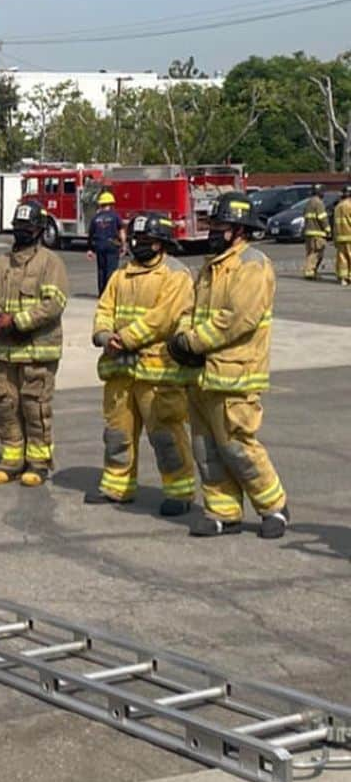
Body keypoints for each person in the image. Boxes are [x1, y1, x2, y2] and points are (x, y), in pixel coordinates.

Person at [167, 192, 289, 539]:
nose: (212, 231)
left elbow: (238, 319)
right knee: (206, 449)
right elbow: (190, 310)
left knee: (238, 446)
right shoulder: (212, 265)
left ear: (238, 228)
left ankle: (274, 507)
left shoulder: (253, 265)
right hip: (202, 375)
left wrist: (191, 342)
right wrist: (180, 334)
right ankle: (223, 511)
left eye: (219, 225)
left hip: (235, 375)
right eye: (213, 224)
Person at [87, 212, 196, 514]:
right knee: (117, 432)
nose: (139, 245)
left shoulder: (176, 275)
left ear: (162, 243)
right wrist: (104, 334)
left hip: (156, 372)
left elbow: (163, 318)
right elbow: (104, 307)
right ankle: (116, 487)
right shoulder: (122, 274)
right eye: (136, 240)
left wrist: (126, 337)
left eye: (146, 241)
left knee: (165, 435)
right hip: (120, 369)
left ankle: (180, 491)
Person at [0, 200, 69, 487]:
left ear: (40, 230)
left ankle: (38, 463)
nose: (22, 232)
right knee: (7, 406)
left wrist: (18, 322)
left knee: (35, 408)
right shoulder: (1, 264)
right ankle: (12, 459)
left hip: (36, 353)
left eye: (28, 227)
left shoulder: (50, 263)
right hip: (5, 353)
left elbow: (54, 303)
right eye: (18, 226)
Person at [86, 190, 125, 296]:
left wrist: (90, 249)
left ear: (100, 204)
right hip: (112, 245)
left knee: (101, 270)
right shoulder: (115, 216)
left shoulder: (95, 218)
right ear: (111, 204)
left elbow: (90, 234)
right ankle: (110, 294)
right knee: (111, 270)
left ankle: (102, 293)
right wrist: (123, 246)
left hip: (100, 245)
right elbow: (121, 232)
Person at [302, 183, 330, 280]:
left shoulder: (308, 203)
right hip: (318, 233)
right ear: (321, 192)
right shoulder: (319, 203)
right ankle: (310, 271)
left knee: (310, 252)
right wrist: (328, 229)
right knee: (317, 253)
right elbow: (322, 218)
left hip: (308, 232)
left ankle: (311, 271)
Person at [333, 183, 351, 286]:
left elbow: (334, 223)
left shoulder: (338, 206)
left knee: (342, 258)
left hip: (340, 237)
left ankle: (343, 278)